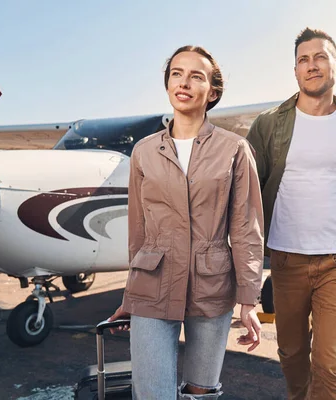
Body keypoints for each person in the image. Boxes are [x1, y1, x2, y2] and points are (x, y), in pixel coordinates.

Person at [108, 45, 264, 399]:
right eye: (177, 73)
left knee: (200, 392)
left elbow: (245, 228)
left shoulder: (235, 149)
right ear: (167, 85)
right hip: (152, 284)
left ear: (212, 91)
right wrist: (130, 296)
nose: (185, 82)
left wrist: (249, 301)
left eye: (197, 76)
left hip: (212, 285)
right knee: (152, 394)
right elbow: (138, 232)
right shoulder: (144, 152)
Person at [246, 28, 336, 400]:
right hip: (287, 260)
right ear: (295, 71)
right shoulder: (268, 125)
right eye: (303, 60)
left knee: (333, 364)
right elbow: (245, 193)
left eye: (320, 57)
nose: (312, 66)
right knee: (292, 356)